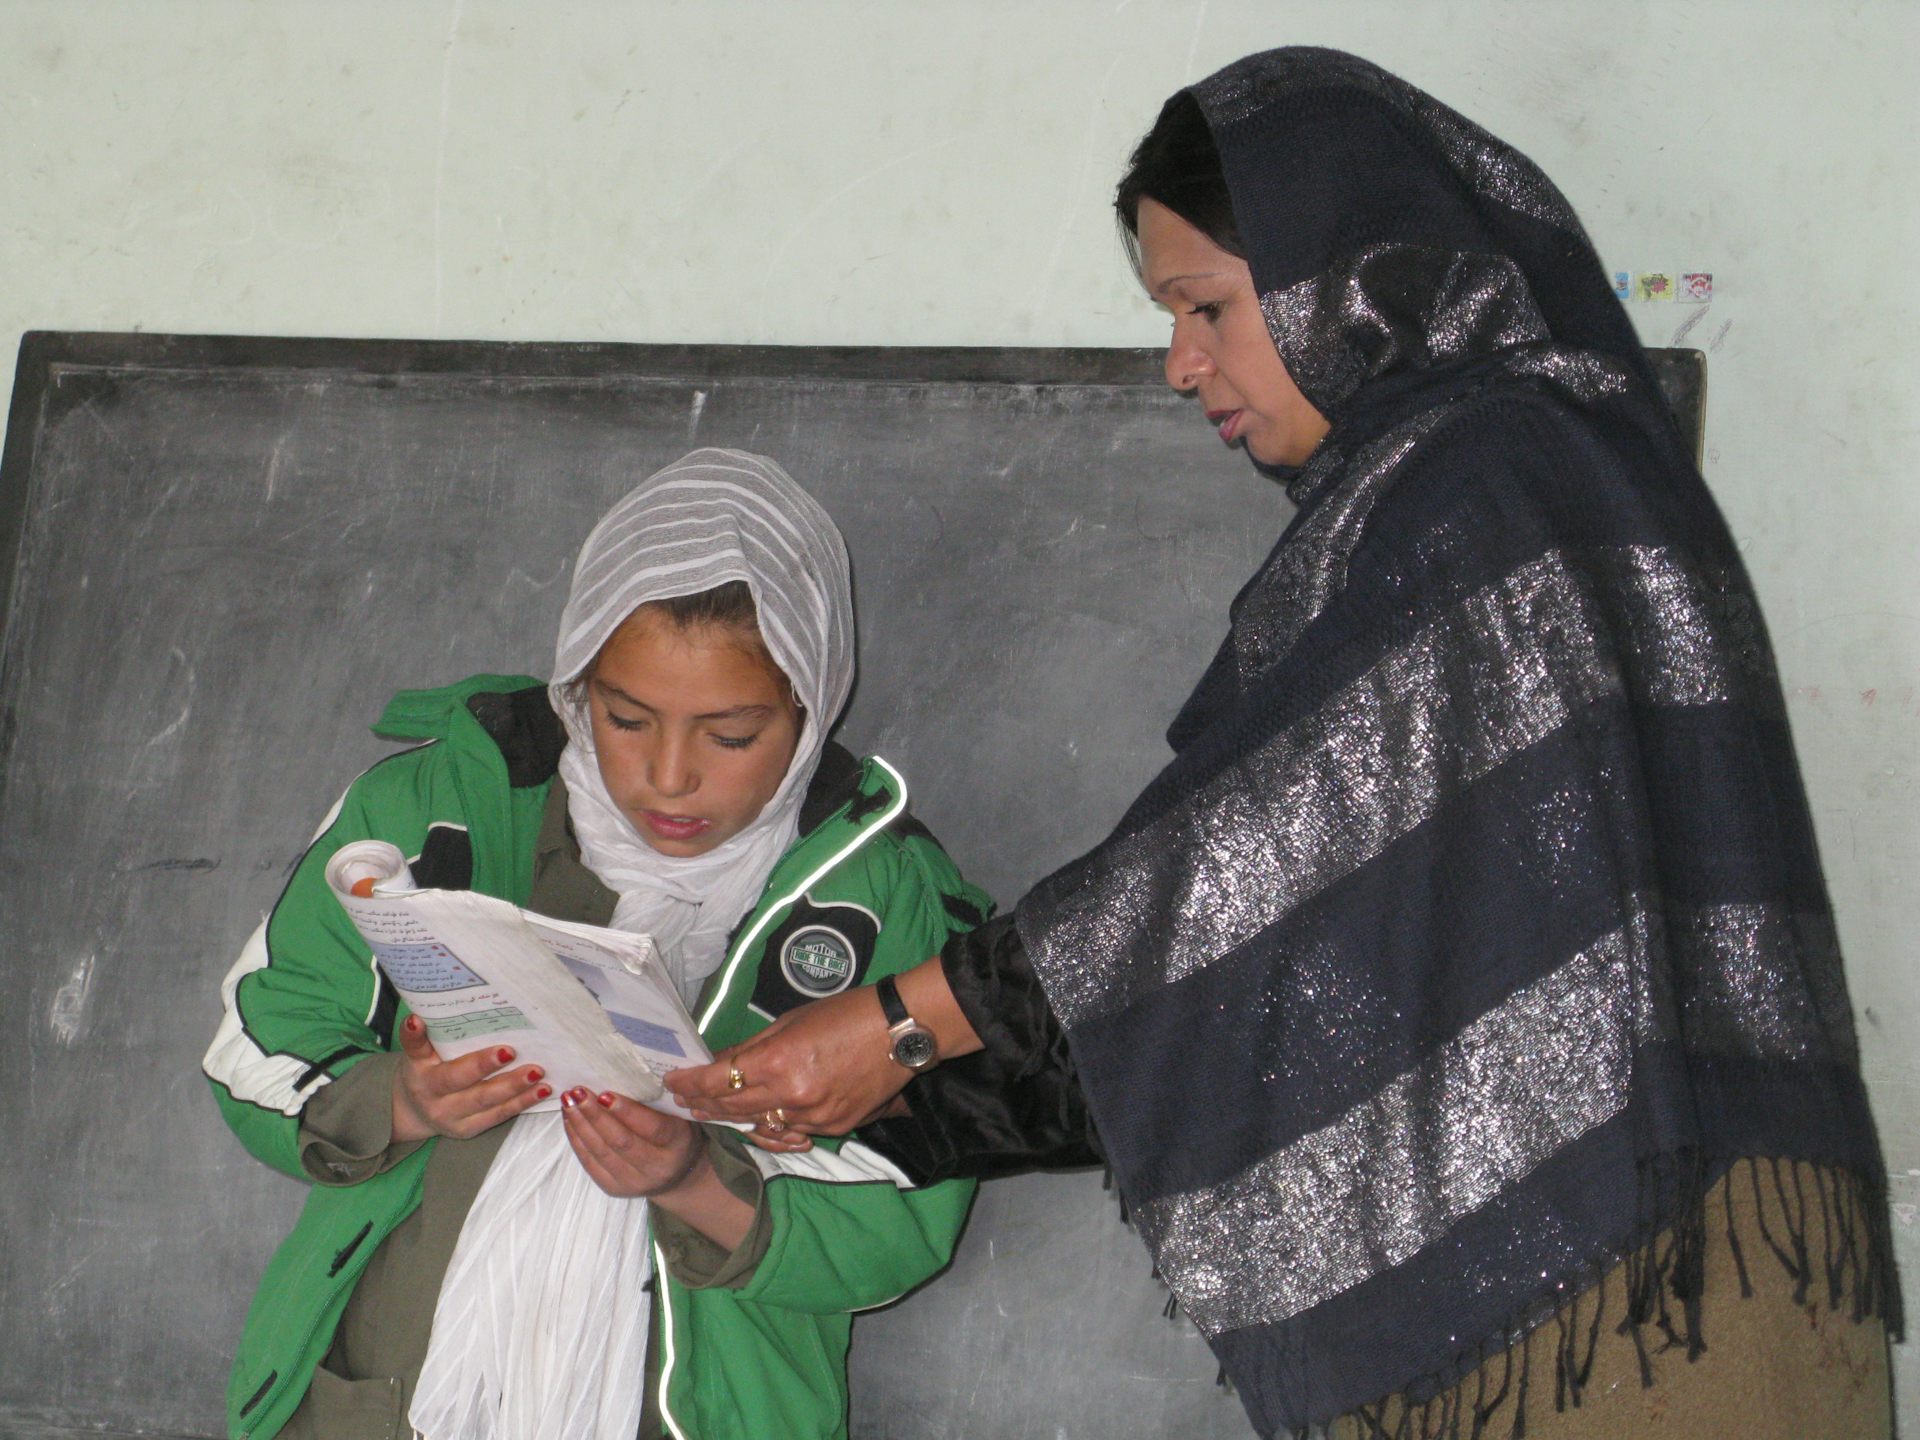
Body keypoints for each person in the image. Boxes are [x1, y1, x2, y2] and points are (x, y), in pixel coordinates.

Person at [666, 50, 1902, 1439]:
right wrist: (877, 1101)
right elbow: (1247, 981)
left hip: (1632, 1292)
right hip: (1565, 1273)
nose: (1181, 364)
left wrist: (900, 1019)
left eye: (1206, 307)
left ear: (1353, 273)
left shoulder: (1490, 487)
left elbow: (1236, 864)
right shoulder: (1453, 491)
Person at [203, 449, 986, 1440]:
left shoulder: (888, 899)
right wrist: (397, 1101)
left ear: (814, 701)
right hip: (382, 1401)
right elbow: (254, 1039)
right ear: (576, 687)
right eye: (624, 718)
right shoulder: (436, 809)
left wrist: (696, 1178)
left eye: (731, 735)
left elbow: (904, 1216)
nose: (668, 777)